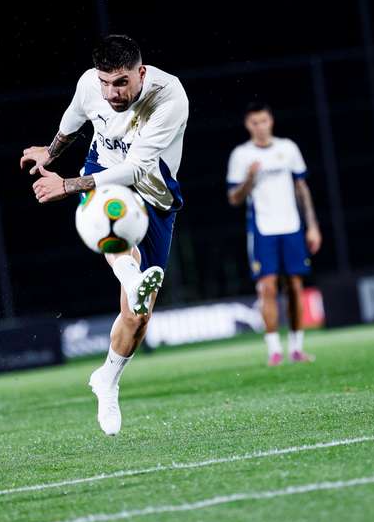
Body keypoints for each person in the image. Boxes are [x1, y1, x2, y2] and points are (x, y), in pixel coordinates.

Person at [20, 35, 188, 436]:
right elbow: (73, 119)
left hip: (153, 188)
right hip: (104, 178)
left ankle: (107, 379)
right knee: (113, 221)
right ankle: (132, 280)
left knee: (138, 317)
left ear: (140, 73)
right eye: (105, 82)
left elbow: (135, 170)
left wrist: (68, 185)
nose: (112, 93)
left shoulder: (169, 98)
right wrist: (51, 151)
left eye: (121, 83)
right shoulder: (89, 85)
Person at [227, 103, 322, 366]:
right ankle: (274, 351)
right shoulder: (241, 155)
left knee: (294, 286)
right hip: (262, 229)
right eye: (254, 122)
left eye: (264, 121)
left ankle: (296, 348)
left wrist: (312, 225)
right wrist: (249, 179)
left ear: (271, 121)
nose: (260, 126)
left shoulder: (287, 148)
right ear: (249, 125)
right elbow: (234, 197)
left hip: (291, 227)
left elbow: (301, 188)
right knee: (267, 287)